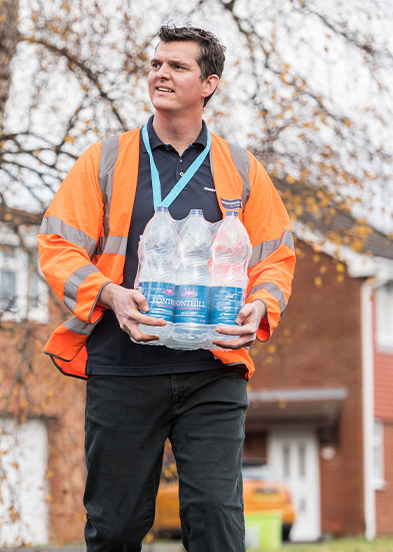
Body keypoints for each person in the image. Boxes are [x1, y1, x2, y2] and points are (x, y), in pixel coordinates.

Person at [37, 25, 295, 552]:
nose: (160, 74)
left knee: (217, 524)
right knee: (114, 527)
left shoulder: (242, 169)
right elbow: (57, 247)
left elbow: (276, 258)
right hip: (123, 366)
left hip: (212, 370)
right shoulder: (105, 159)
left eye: (177, 66)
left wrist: (261, 306)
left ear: (209, 84)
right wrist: (110, 294)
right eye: (156, 64)